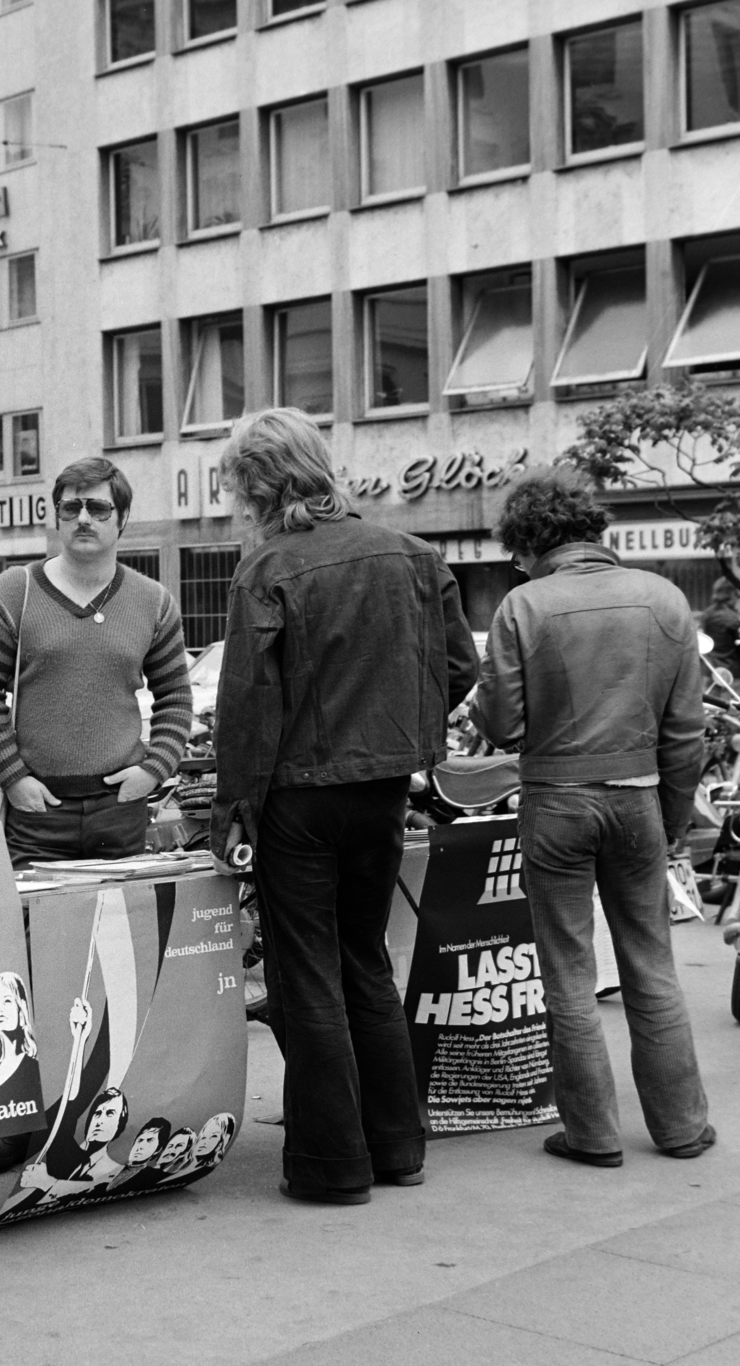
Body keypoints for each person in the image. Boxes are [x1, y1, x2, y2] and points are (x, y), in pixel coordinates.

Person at [210, 407, 478, 1206]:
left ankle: (332, 1163)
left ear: (258, 485)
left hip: (298, 797)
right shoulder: (414, 556)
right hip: (383, 790)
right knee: (366, 958)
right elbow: (460, 669)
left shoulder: (266, 569)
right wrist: (405, 738)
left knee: (308, 973)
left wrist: (233, 810)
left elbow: (247, 709)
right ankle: (397, 1145)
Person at [470, 465, 713, 1168]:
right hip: (639, 799)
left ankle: (592, 1134)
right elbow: (687, 735)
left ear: (528, 542)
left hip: (555, 802)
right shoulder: (665, 599)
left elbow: (502, 724)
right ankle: (681, 1127)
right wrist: (671, 820)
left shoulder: (523, 606)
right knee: (652, 966)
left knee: (568, 975)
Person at [0, 456, 193, 1175]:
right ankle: (19, 1126)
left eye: (98, 507)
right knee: (28, 975)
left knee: (114, 970)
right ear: (55, 516)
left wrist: (152, 770)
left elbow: (177, 699)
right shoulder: (16, 592)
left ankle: (109, 1114)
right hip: (38, 814)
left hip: (119, 814)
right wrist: (16, 778)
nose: (84, 519)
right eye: (71, 507)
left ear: (122, 519)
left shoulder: (152, 601)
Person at [700, 577, 740, 681]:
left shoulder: (706, 614)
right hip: (731, 675)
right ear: (731, 594)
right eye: (736, 596)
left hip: (710, 672)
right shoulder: (734, 618)